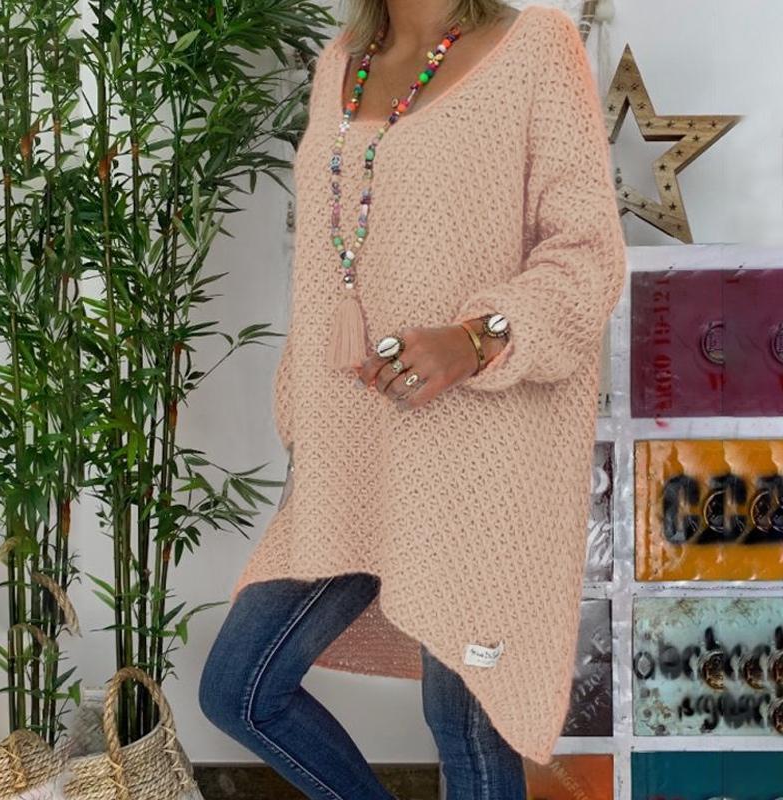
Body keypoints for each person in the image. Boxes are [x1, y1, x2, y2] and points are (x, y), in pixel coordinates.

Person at [199, 0, 627, 798]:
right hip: (352, 455)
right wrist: (306, 414)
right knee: (240, 690)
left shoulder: (535, 46)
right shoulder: (341, 60)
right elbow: (325, 266)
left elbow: (587, 253)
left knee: (463, 725)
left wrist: (475, 338)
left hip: (477, 459)